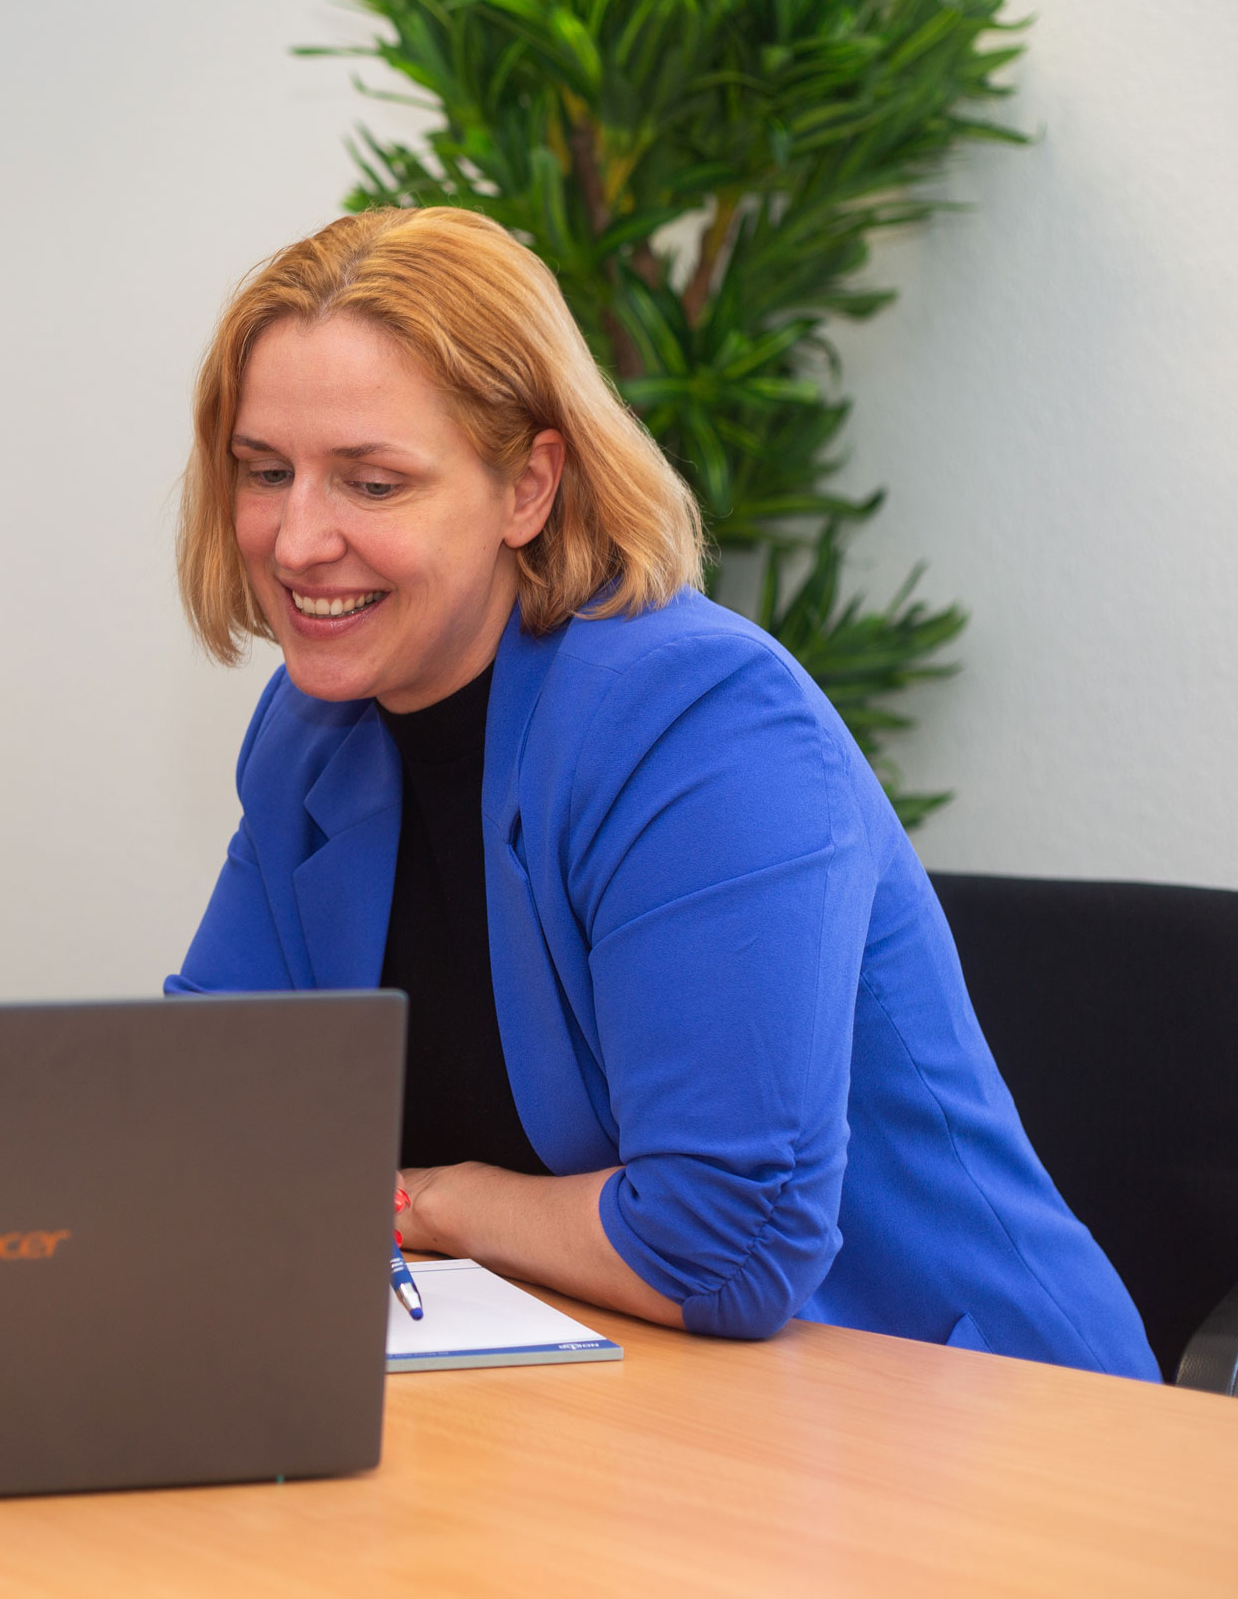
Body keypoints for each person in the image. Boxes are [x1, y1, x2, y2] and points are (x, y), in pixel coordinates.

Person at [166, 206, 1156, 1376]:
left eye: (372, 483)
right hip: (605, 1392)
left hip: (953, 1403)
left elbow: (727, 1246)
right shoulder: (312, 736)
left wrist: (431, 1203)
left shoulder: (700, 722)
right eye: (265, 473)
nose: (294, 543)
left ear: (528, 487)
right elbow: (207, 1119)